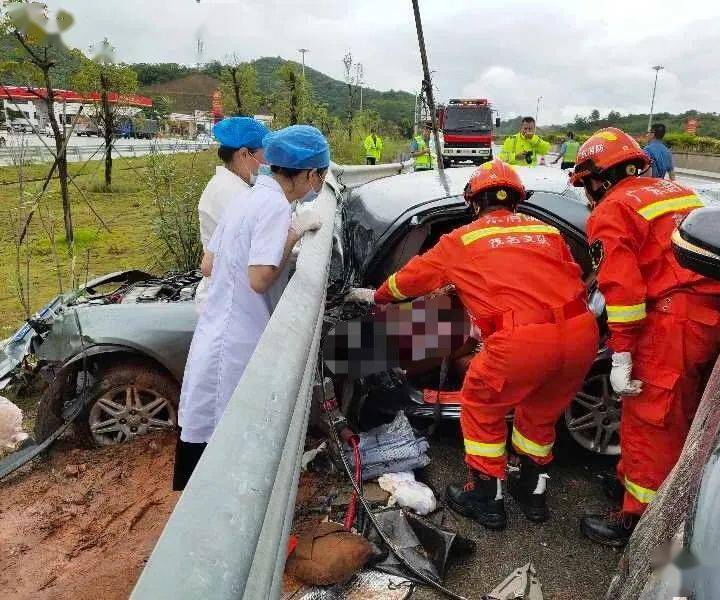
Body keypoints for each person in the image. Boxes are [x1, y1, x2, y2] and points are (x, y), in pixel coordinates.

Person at [345, 159, 599, 530]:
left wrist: (377, 296)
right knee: (540, 413)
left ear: (474, 203)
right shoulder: (547, 232)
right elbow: (569, 276)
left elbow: (408, 282)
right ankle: (532, 493)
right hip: (580, 334)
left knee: (480, 408)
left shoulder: (460, 240)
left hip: (522, 340)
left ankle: (486, 499)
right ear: (516, 200)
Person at [568, 127, 720, 546]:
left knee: (652, 419)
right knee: (679, 415)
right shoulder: (679, 192)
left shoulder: (611, 211)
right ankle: (637, 485)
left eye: (587, 182)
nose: (588, 192)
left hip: (671, 325)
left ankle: (640, 525)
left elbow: (623, 293)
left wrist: (621, 354)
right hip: (716, 317)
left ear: (600, 177)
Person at [173, 125, 330, 491]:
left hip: (216, 333)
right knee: (226, 446)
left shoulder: (245, 197)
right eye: (319, 176)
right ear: (309, 174)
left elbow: (207, 264)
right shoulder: (275, 206)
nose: (318, 184)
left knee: (203, 436)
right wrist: (293, 234)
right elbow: (259, 279)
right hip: (238, 341)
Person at [195, 117, 271, 314]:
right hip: (225, 299)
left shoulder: (238, 186)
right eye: (264, 156)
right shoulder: (229, 193)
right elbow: (256, 246)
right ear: (244, 154)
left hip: (232, 291)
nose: (266, 163)